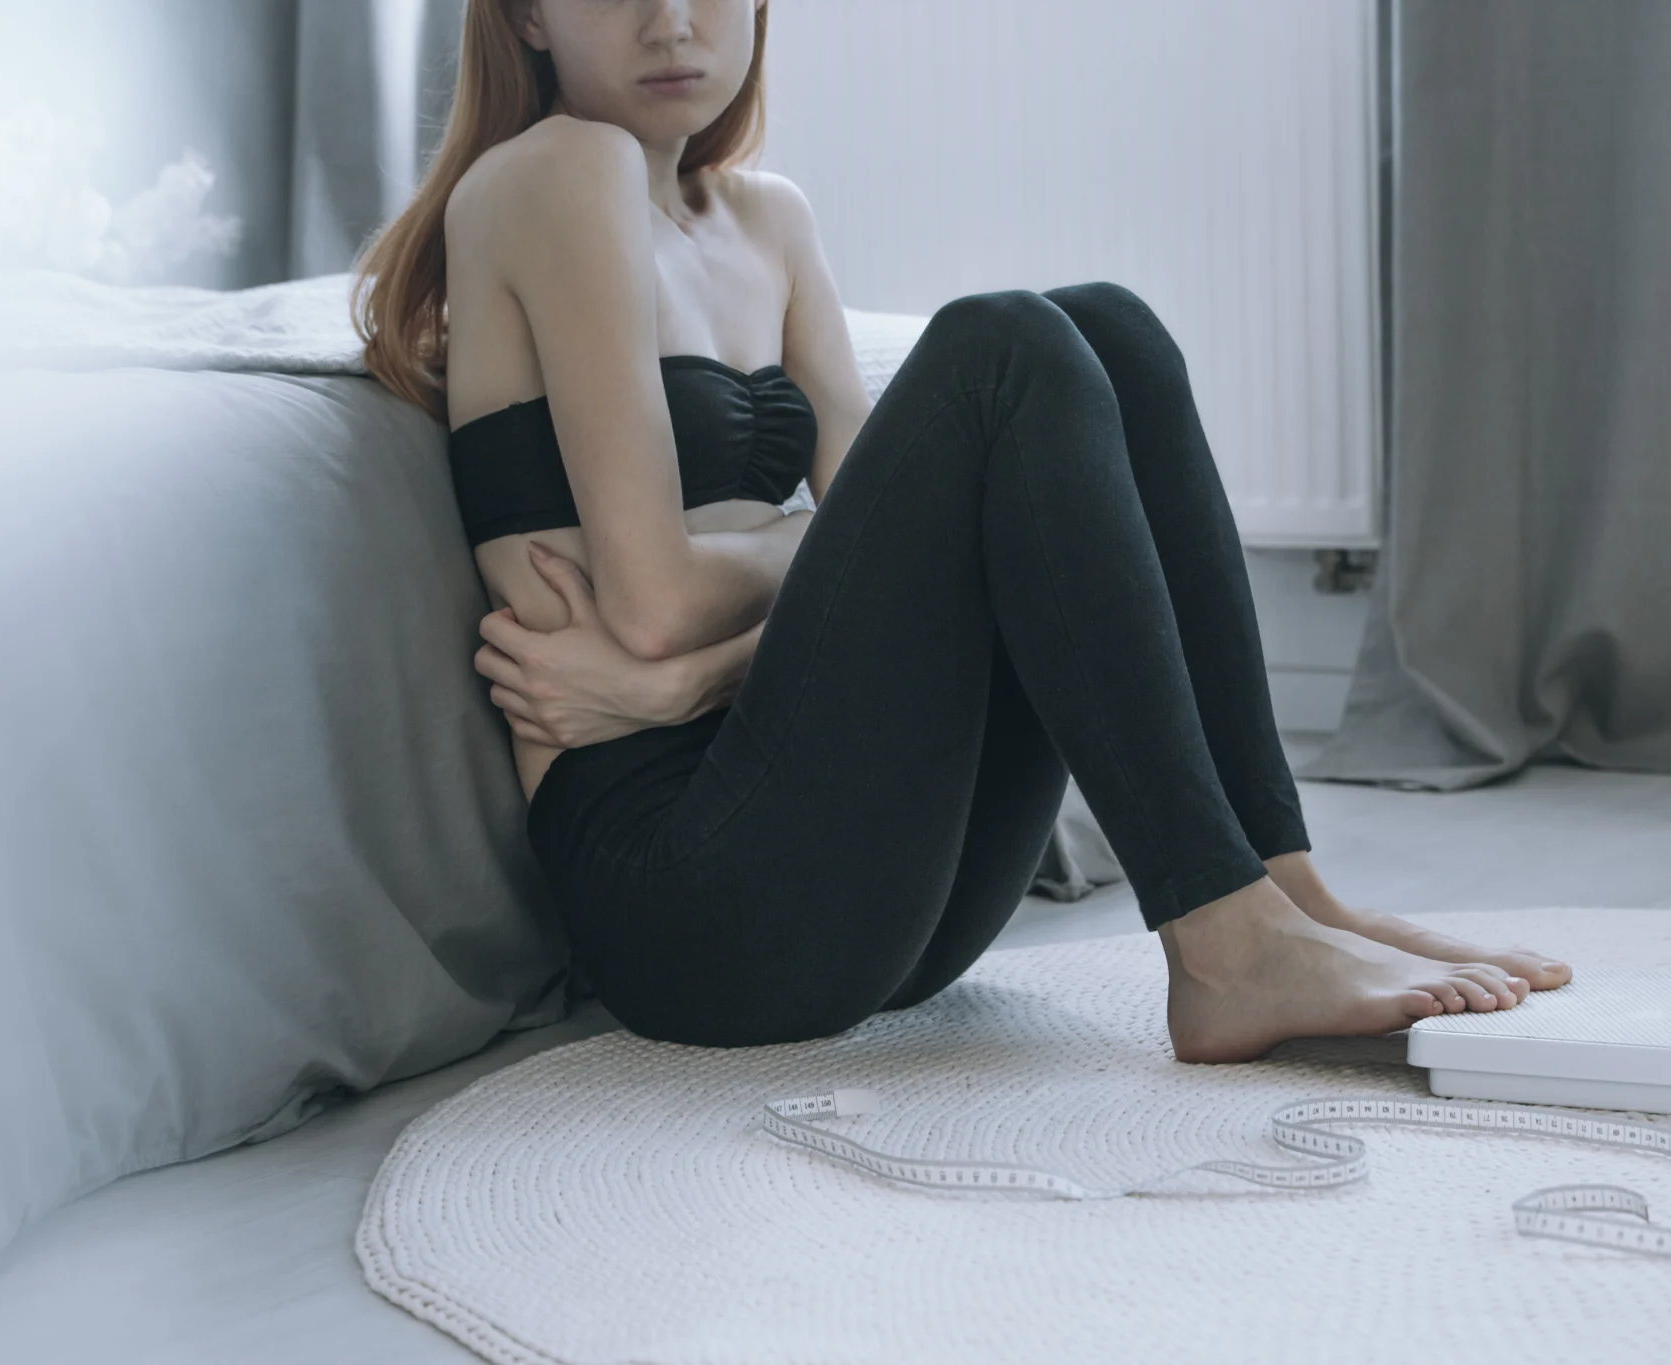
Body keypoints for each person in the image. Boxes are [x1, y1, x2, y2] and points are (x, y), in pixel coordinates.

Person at [354, 0, 1572, 1060]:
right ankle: (1223, 947)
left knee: (1108, 331)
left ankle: (1280, 891)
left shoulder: (769, 221)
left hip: (894, 904)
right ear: (526, 14)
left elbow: (860, 567)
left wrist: (687, 680)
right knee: (1001, 345)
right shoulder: (553, 172)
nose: (670, 20)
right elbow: (659, 600)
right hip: (694, 914)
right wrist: (775, 581)